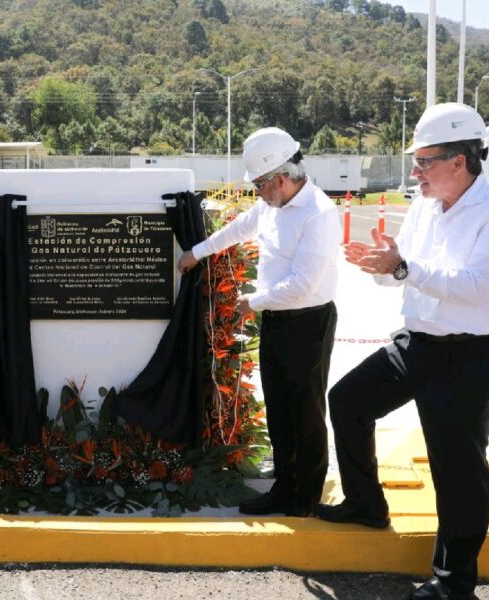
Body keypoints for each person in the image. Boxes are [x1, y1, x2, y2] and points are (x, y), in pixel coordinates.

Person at [316, 102, 489, 600]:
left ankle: (454, 582)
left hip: (467, 355)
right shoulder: (425, 203)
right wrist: (381, 264)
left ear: (460, 160)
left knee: (457, 468)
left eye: (425, 161)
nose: (416, 171)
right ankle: (366, 506)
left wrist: (403, 268)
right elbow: (399, 273)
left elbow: (478, 286)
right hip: (415, 344)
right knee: (348, 401)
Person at [178, 127, 340, 517]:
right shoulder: (272, 205)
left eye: (259, 186)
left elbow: (303, 284)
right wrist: (196, 253)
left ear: (280, 179)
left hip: (308, 322)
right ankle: (284, 487)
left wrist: (254, 301)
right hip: (278, 320)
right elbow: (240, 228)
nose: (257, 194)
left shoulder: (318, 213)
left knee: (306, 410)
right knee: (280, 407)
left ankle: (305, 496)